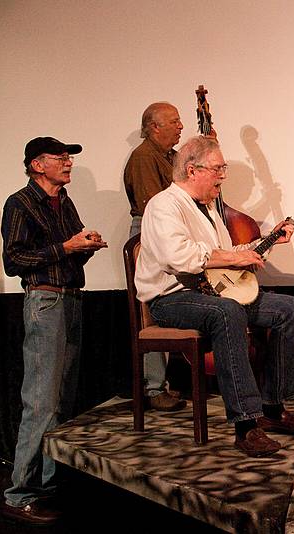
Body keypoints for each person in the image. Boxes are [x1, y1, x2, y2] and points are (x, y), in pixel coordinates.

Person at [135, 135, 294, 456]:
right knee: (226, 312)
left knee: (289, 308)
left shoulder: (208, 210)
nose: (223, 176)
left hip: (213, 292)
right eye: (217, 169)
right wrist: (234, 258)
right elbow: (181, 258)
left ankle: (273, 407)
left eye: (223, 168)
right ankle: (246, 426)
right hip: (173, 298)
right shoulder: (164, 205)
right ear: (192, 171)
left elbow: (226, 254)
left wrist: (269, 242)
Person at [1, 137, 108, 525]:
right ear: (36, 165)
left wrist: (87, 244)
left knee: (61, 400)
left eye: (69, 158)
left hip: (71, 300)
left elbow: (71, 243)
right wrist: (66, 246)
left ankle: (46, 486)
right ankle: (19, 494)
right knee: (41, 403)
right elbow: (14, 259)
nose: (67, 163)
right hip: (45, 303)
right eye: (59, 158)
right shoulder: (20, 202)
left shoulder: (64, 201)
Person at [123, 102, 186, 411]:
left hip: (167, 233)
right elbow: (154, 207)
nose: (181, 126)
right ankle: (152, 387)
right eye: (174, 121)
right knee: (151, 306)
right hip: (152, 233)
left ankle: (161, 384)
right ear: (154, 127)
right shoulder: (144, 158)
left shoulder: (169, 157)